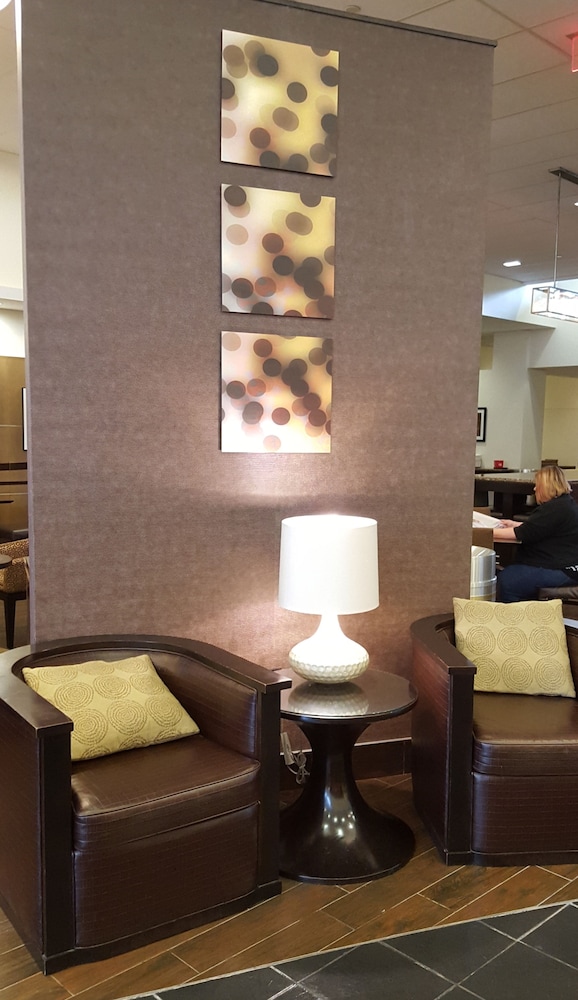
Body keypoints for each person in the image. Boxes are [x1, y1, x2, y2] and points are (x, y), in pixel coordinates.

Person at [493, 465, 578, 602]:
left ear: (545, 486)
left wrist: (483, 532)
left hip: (562, 569)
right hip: (567, 566)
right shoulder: (564, 504)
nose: (534, 489)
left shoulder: (554, 508)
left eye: (537, 485)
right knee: (509, 573)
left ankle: (515, 614)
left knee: (508, 581)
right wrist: (515, 524)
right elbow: (540, 527)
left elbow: (521, 534)